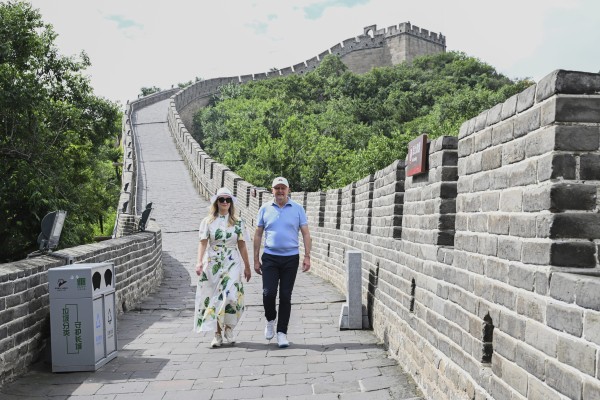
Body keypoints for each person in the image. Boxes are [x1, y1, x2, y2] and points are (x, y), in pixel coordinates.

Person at [253, 176, 312, 348]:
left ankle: (282, 332)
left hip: (291, 258)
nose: (280, 191)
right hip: (270, 257)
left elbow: (306, 233)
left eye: (283, 188)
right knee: (268, 293)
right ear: (272, 190)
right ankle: (270, 319)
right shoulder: (265, 209)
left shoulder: (298, 209)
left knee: (285, 296)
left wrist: (307, 256)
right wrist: (256, 259)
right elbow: (258, 234)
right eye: (276, 188)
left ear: (288, 190)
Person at [194, 187, 251, 348]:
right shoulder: (208, 222)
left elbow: (242, 245)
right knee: (216, 298)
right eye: (221, 199)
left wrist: (247, 266)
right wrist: (199, 262)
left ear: (231, 203)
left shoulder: (238, 222)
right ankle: (217, 334)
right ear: (216, 202)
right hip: (213, 262)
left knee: (232, 296)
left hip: (232, 261)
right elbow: (203, 242)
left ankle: (229, 328)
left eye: (228, 200)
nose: (225, 202)